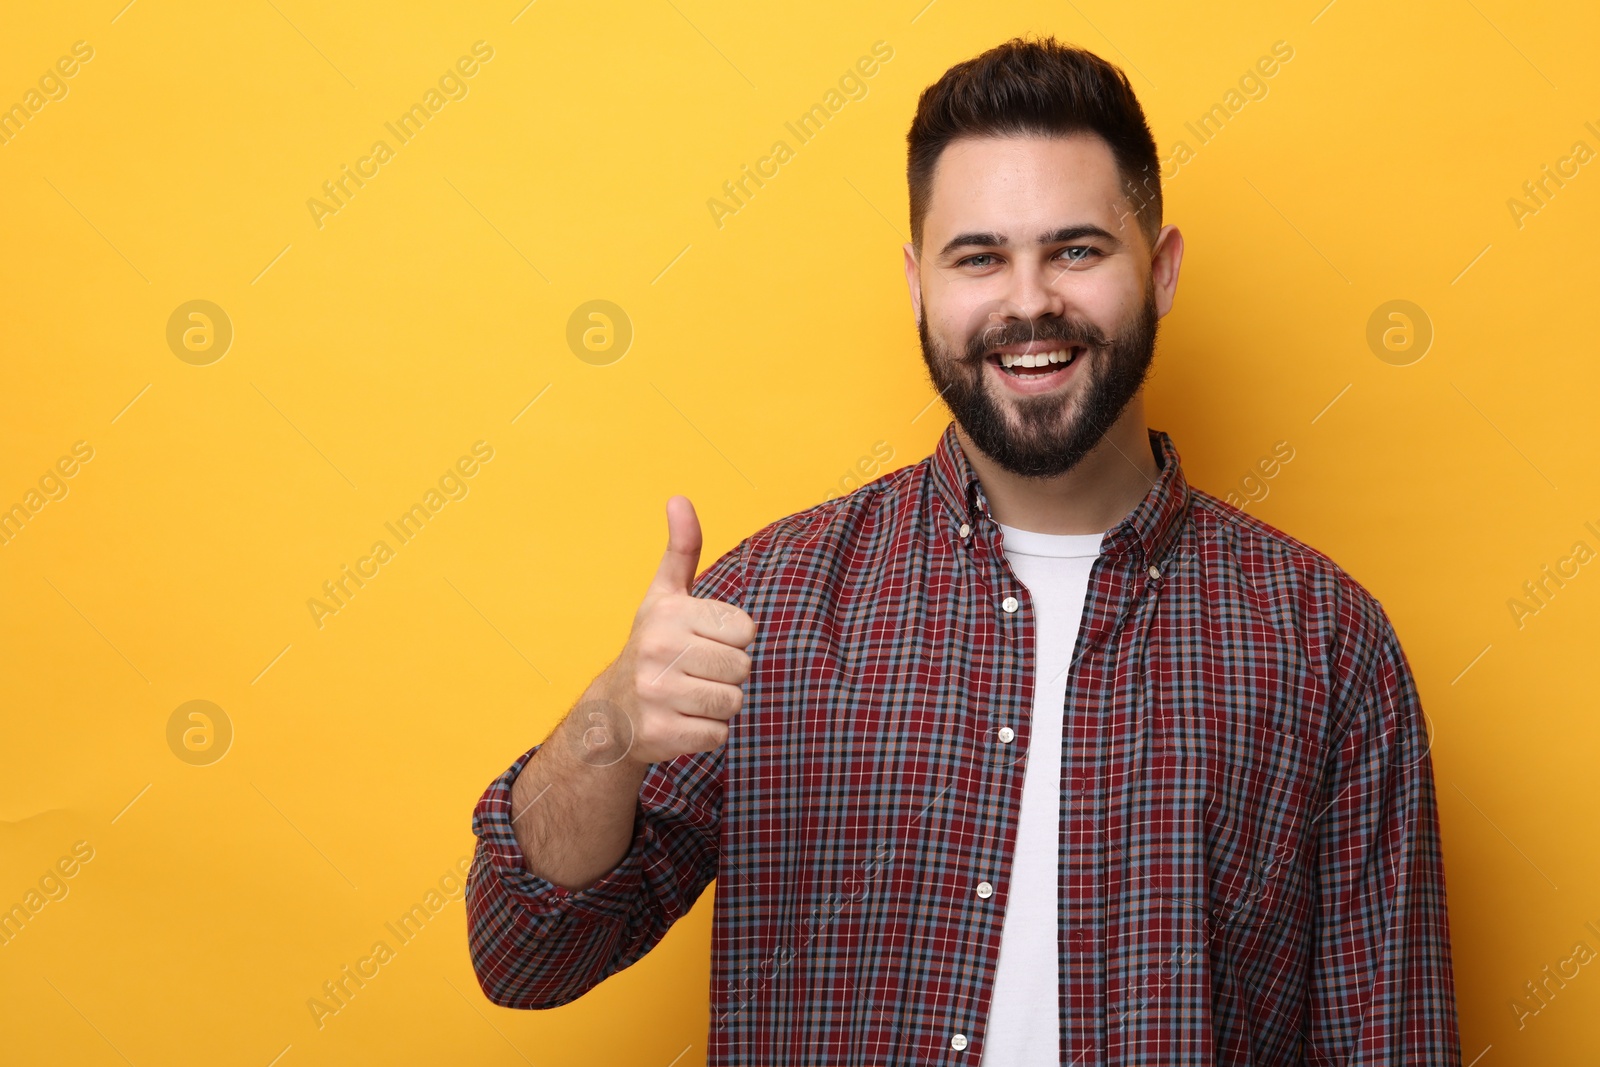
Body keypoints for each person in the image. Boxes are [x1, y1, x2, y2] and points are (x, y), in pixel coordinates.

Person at [465, 34, 1461, 1066]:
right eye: (978, 256)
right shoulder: (767, 606)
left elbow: (1389, 1041)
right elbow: (522, 952)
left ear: (1159, 271)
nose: (1028, 301)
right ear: (917, 285)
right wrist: (609, 725)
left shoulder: (1324, 642)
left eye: (1075, 249)